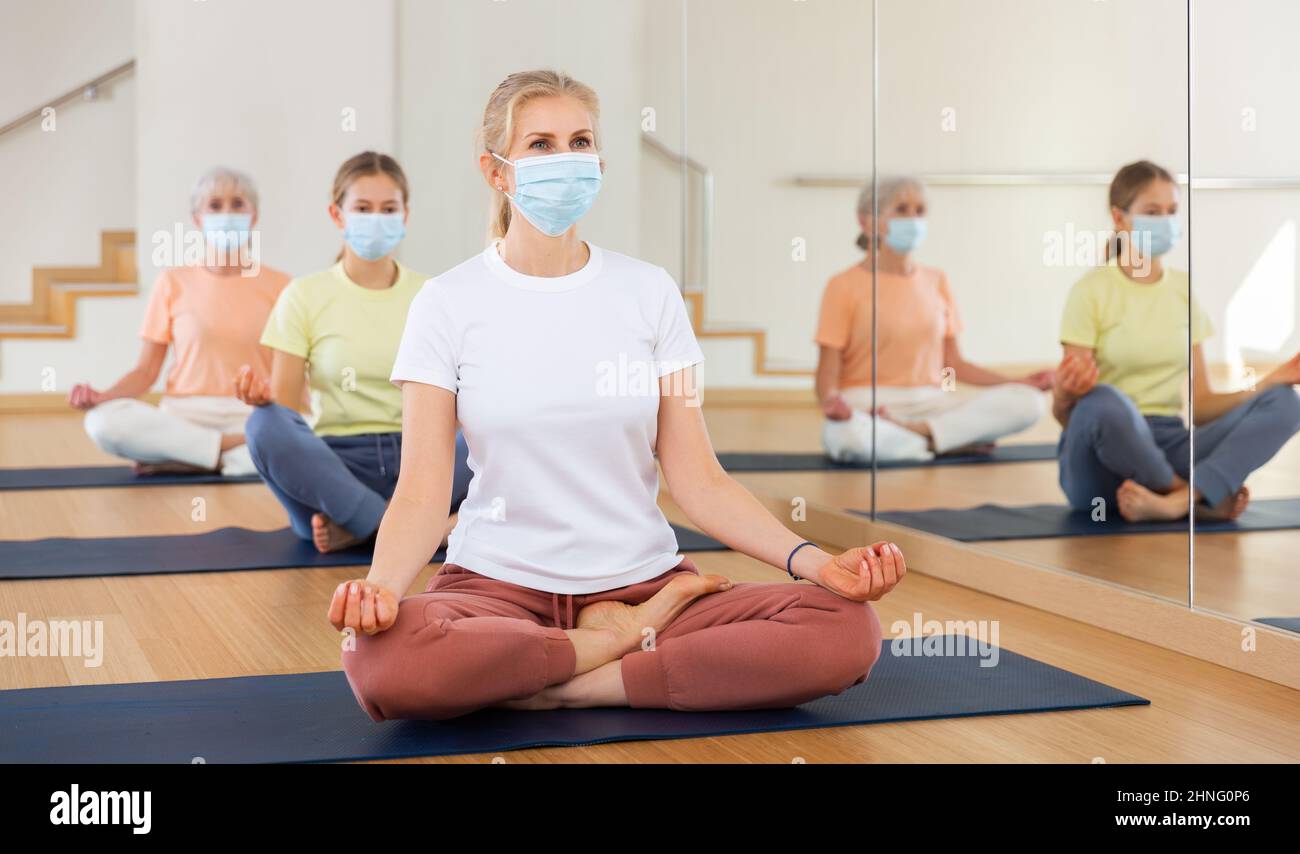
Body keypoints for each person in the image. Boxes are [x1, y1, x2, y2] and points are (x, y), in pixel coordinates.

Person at [329, 70, 905, 722]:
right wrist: (378, 589)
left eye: (580, 141)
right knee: (379, 656)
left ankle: (576, 681)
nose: (565, 158)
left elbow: (700, 479)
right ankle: (604, 647)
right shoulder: (447, 303)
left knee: (845, 630)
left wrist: (814, 563)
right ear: (497, 171)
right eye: (541, 144)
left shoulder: (651, 292)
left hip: (648, 587)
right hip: (495, 588)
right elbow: (424, 492)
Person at [234, 152, 471, 554]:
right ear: (337, 214)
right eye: (362, 208)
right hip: (339, 469)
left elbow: (463, 405)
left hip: (425, 463)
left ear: (405, 216)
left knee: (510, 430)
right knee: (263, 425)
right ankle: (427, 530)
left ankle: (366, 528)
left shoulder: (435, 295)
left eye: (388, 208)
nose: (376, 218)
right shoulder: (304, 296)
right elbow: (286, 412)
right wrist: (264, 402)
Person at [1054, 159, 1300, 522]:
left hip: (1170, 442)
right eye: (1152, 211)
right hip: (1101, 466)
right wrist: (1064, 394)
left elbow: (1200, 406)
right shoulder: (1090, 291)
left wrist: (1266, 383)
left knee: (1285, 402)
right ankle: (1190, 497)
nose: (1166, 220)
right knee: (1103, 401)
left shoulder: (1182, 290)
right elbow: (1070, 417)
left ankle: (1177, 501)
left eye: (1172, 211)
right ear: (1120, 219)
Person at [816, 177, 1051, 463]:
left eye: (920, 211)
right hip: (867, 403)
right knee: (847, 438)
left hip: (931, 402)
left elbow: (955, 365)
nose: (913, 219)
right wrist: (831, 401)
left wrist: (1020, 382)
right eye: (901, 209)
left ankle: (917, 436)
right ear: (867, 221)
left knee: (1029, 403)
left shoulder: (936, 280)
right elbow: (828, 369)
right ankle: (942, 441)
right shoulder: (842, 285)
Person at [69, 167, 287, 476]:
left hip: (252, 413)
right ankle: (229, 452)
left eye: (237, 204)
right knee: (103, 422)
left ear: (254, 215)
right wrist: (104, 397)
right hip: (185, 415)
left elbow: (290, 376)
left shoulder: (281, 285)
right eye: (215, 205)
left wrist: (289, 422)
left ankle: (193, 457)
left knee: (305, 442)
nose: (226, 213)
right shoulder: (173, 282)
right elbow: (146, 371)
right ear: (197, 218)